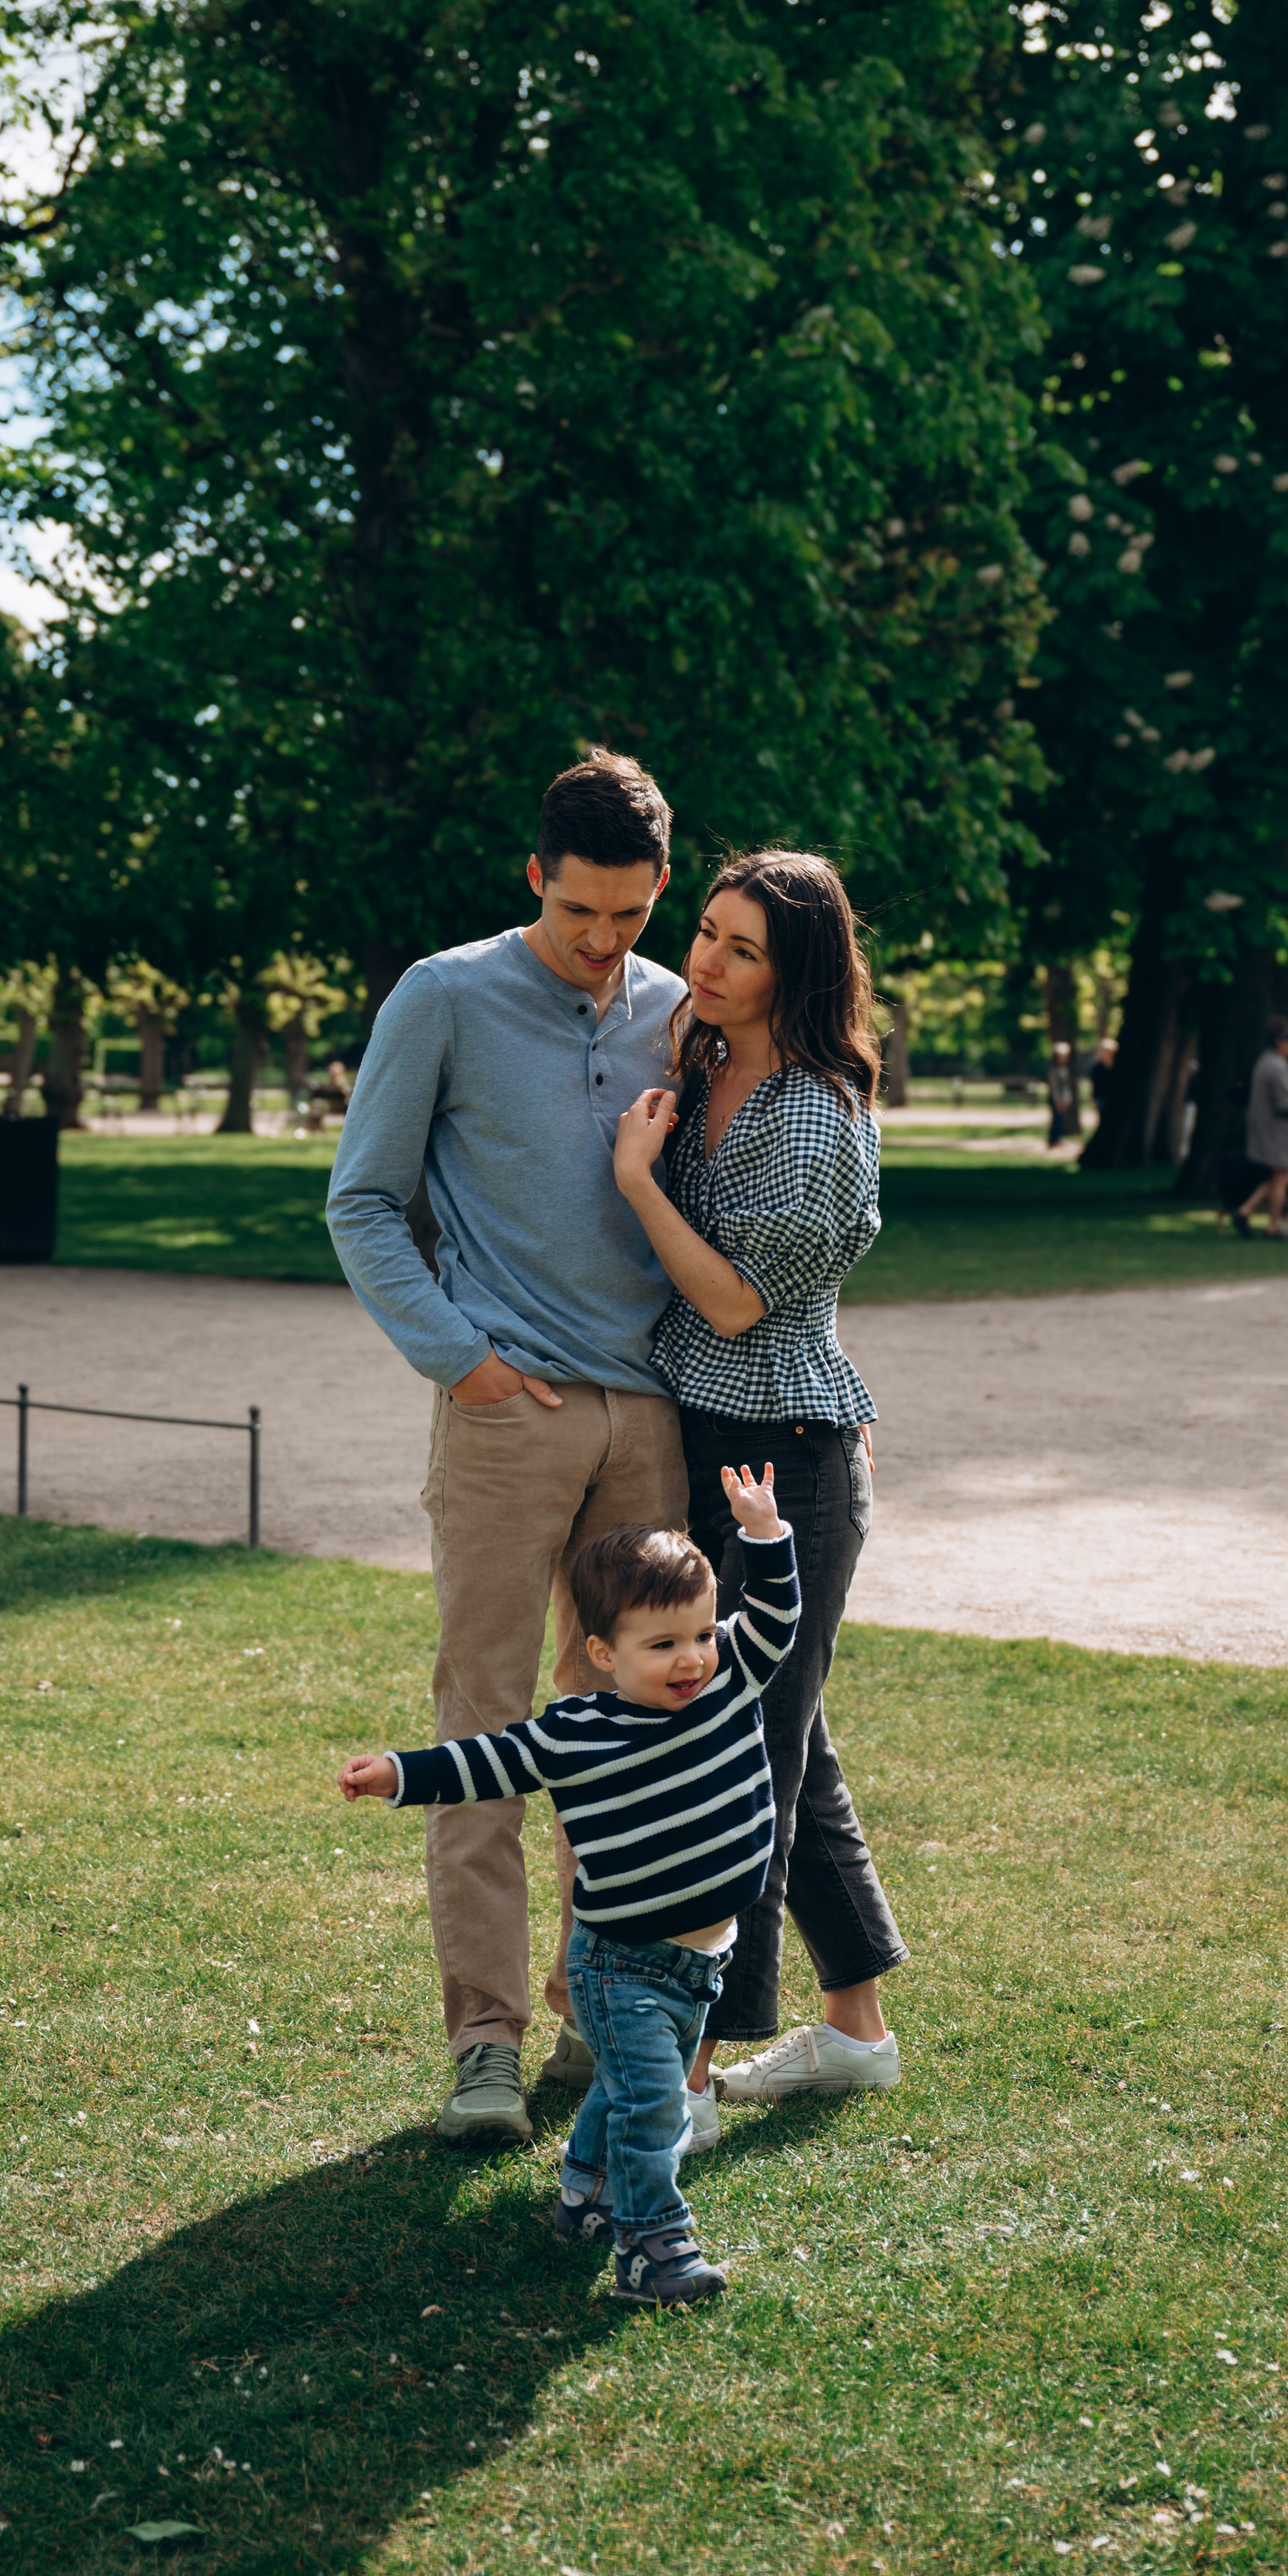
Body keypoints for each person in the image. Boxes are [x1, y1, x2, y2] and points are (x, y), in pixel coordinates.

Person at [324, 751, 688, 2147]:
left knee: (633, 1734)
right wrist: (461, 1359)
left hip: (646, 1416)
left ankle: (599, 2003)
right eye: (582, 909)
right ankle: (483, 2039)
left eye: (630, 915)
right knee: (485, 1720)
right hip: (502, 1415)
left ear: (660, 888)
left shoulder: (675, 1006)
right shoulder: (445, 993)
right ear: (536, 875)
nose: (604, 944)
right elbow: (363, 1201)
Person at [609, 850, 908, 2148]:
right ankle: (855, 2031)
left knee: (743, 1754)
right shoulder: (713, 1060)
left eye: (740, 948)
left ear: (798, 969)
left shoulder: (816, 1110)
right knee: (794, 1734)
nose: (706, 963)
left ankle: (690, 2064)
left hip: (787, 1456)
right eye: (706, 933)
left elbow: (736, 1300)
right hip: (705, 1433)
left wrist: (635, 1182)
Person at [338, 1472, 799, 2306]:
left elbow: (776, 1617)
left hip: (702, 1964)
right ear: (602, 1653)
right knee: (654, 2106)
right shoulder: (576, 1731)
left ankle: (585, 2195)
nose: (690, 1656)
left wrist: (765, 1536)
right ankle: (652, 2252)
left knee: (625, 2091)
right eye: (660, 1645)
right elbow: (484, 1760)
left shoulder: (732, 1675)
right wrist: (396, 1774)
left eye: (699, 1632)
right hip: (618, 1966)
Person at [1237, 1017, 1288, 1241]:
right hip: (1278, 1131)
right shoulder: (1276, 1067)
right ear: (1281, 1042)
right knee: (1282, 1176)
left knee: (1278, 1178)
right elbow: (1285, 1103)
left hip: (1267, 1129)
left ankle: (1245, 1211)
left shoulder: (1264, 1061)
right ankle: (1273, 1226)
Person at [1046, 1039, 1078, 1148]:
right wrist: (1058, 1100)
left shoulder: (1063, 1069)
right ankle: (1053, 1140)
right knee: (1056, 1120)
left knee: (1060, 1120)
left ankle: (1057, 1139)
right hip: (1056, 1099)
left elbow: (1066, 1086)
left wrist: (1067, 1099)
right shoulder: (1054, 1070)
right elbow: (1054, 1087)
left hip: (1062, 1099)